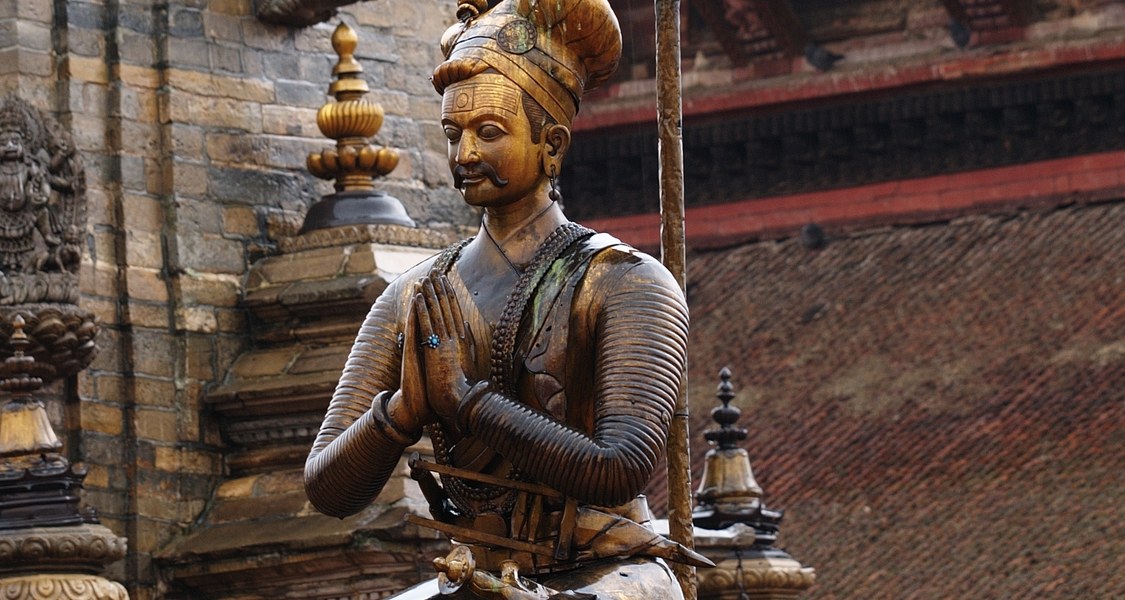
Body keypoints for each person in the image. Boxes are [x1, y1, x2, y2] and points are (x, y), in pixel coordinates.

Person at [304, 0, 706, 596]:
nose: (465, 155)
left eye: (488, 132)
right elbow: (327, 488)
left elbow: (621, 464)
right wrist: (400, 414)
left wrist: (466, 403)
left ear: (552, 142)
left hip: (602, 571)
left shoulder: (625, 281)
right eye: (453, 133)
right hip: (473, 569)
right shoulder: (412, 296)